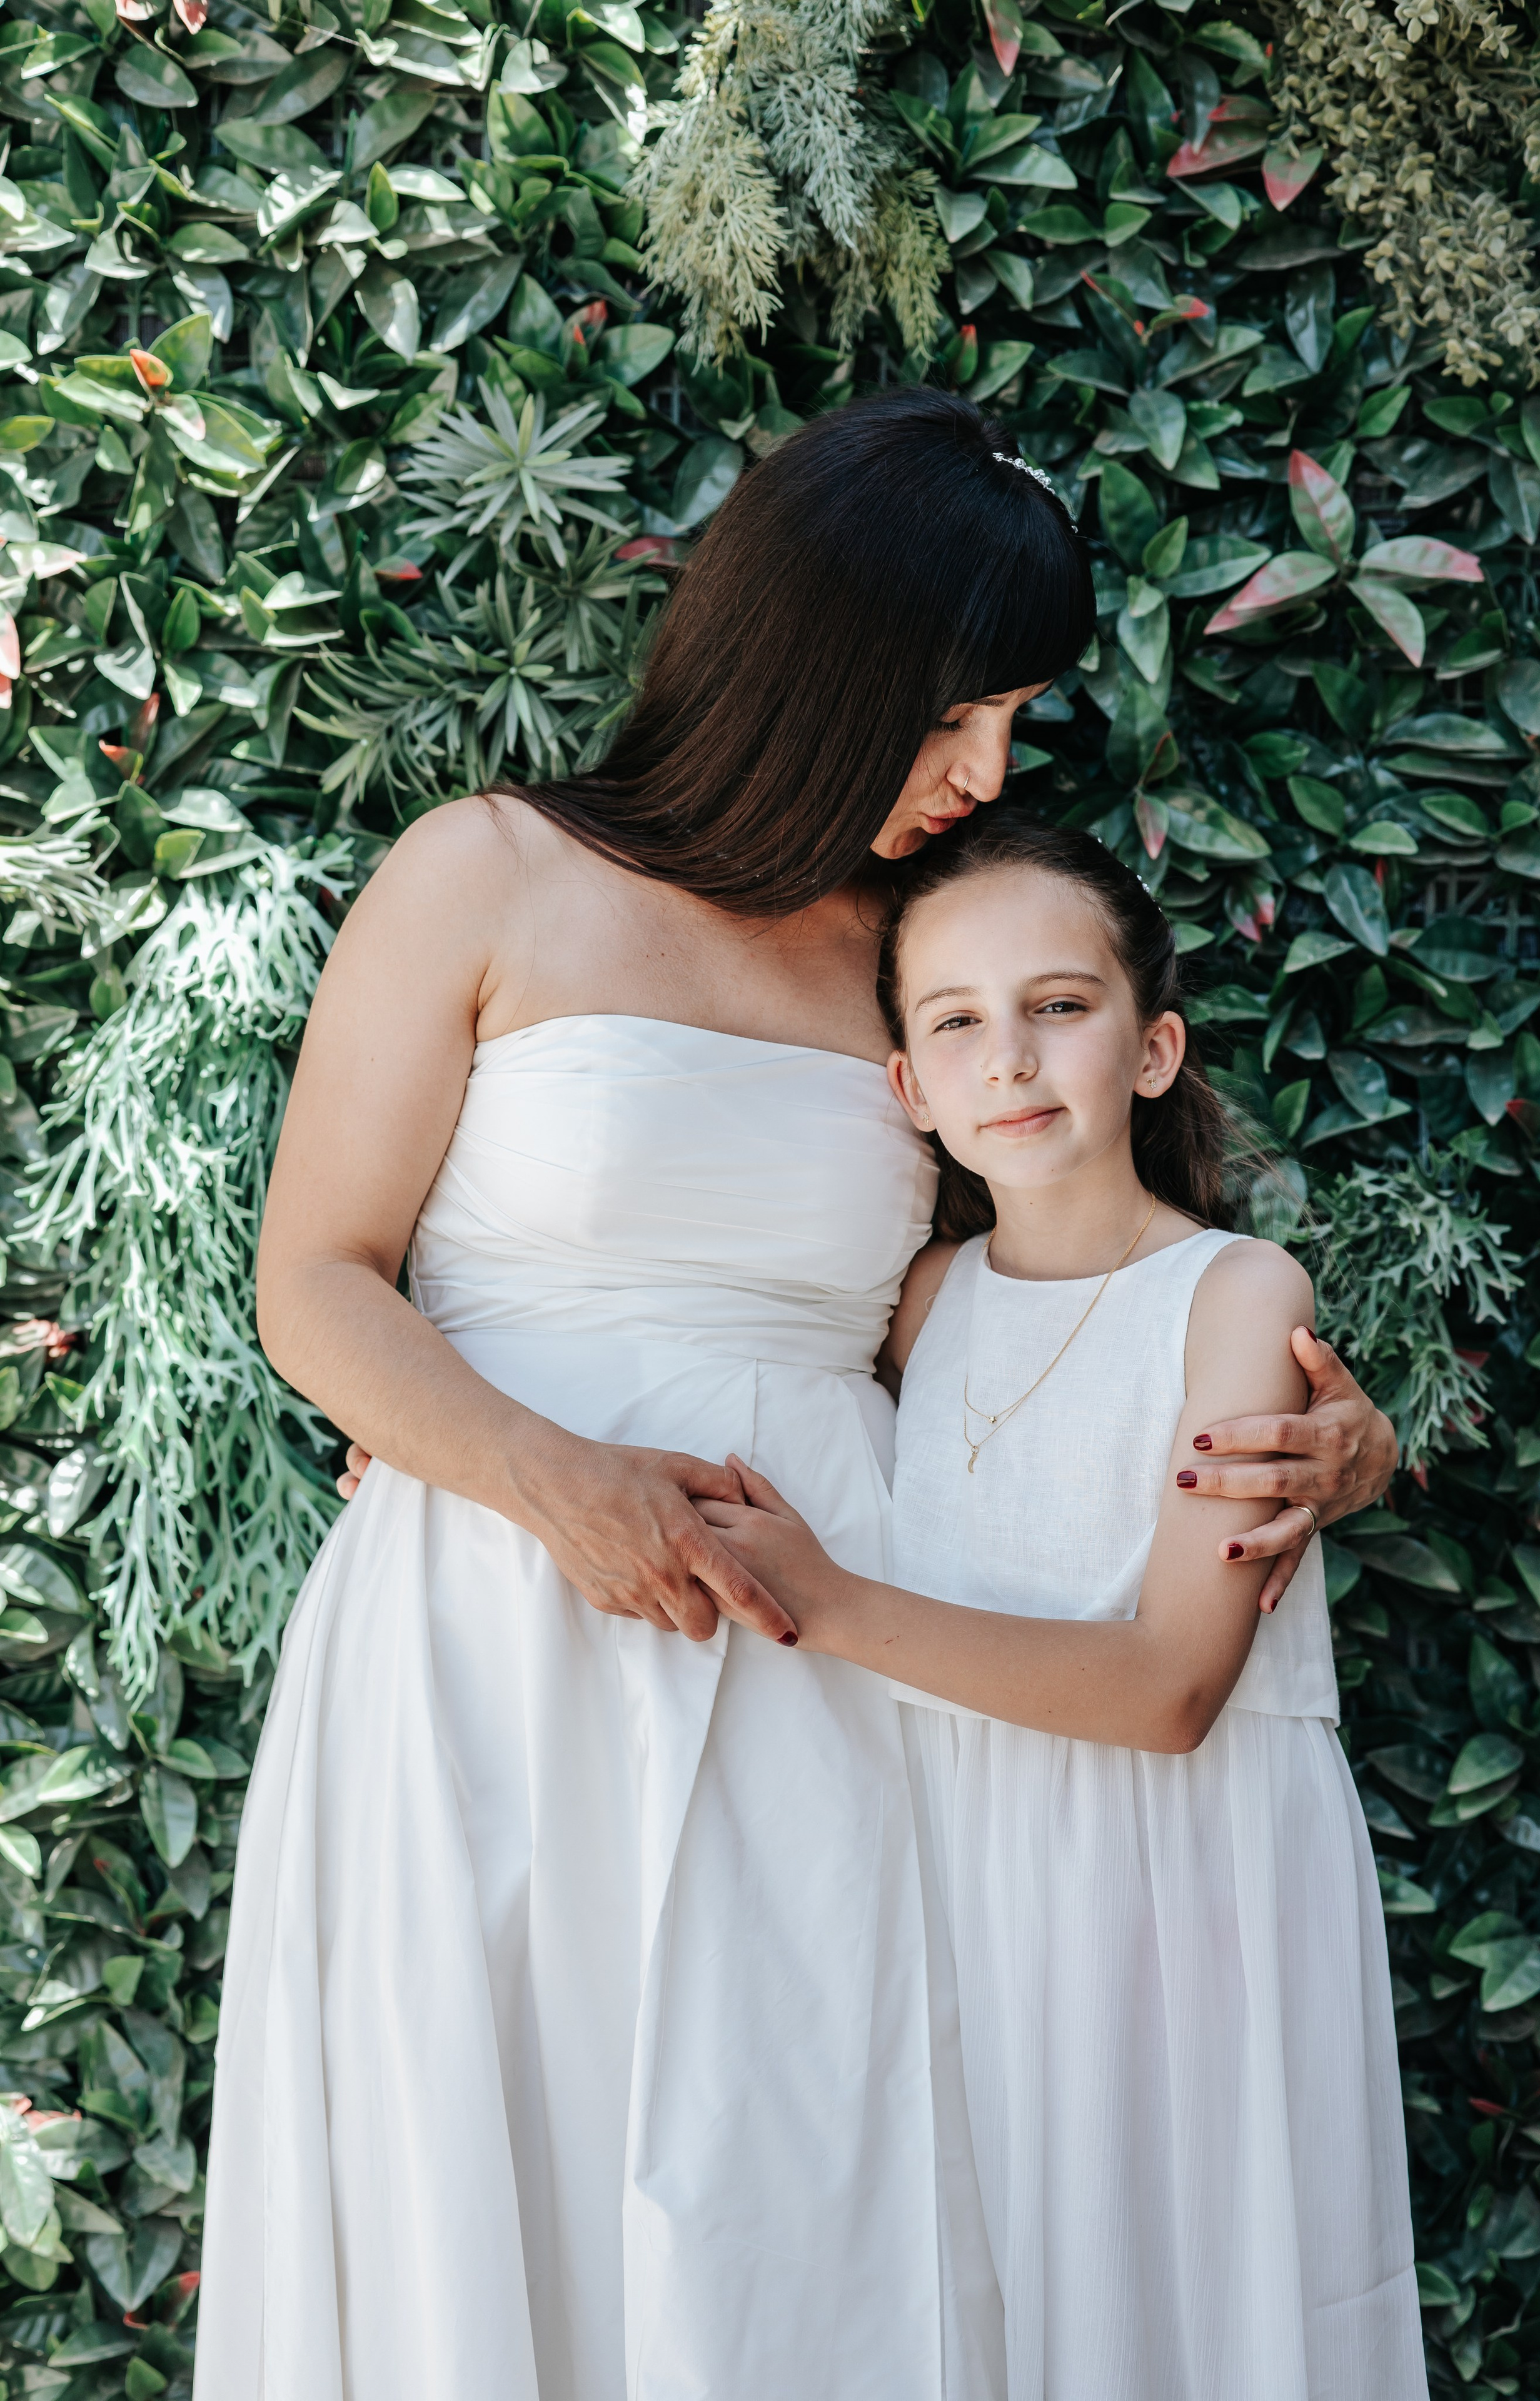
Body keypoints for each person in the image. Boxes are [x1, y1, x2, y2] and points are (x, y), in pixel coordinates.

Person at [196, 390, 1400, 2401]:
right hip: (493, 1624)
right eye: (955, 715)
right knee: (490, 2187)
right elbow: (314, 1281)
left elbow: (1079, 1274)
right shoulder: (486, 875)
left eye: (1013, 719)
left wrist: (1328, 1436)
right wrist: (548, 1477)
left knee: (810, 2225)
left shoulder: (924, 961)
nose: (987, 768)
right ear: (814, 655)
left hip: (830, 1644)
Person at [696, 815, 1427, 2401]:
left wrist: (824, 1601)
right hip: (963, 1877)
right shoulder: (925, 1302)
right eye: (953, 1021)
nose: (1008, 1058)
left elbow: (1169, 1691)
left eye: (1059, 1007)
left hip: (1180, 1901)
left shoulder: (1237, 1297)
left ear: (1151, 1048)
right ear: (906, 1087)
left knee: (1182, 2307)